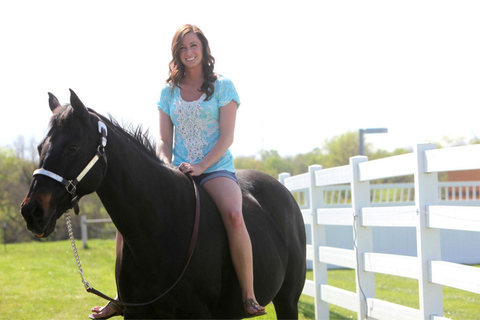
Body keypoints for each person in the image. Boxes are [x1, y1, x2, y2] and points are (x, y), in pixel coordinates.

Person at [89, 24, 266, 319]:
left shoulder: (224, 87)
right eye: (182, 48)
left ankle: (248, 295)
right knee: (127, 222)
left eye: (194, 46)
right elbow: (164, 141)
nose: (189, 52)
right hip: (178, 172)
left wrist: (201, 166)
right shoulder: (167, 92)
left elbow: (227, 137)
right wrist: (164, 166)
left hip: (215, 169)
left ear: (204, 49)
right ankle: (122, 296)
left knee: (234, 216)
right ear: (176, 54)